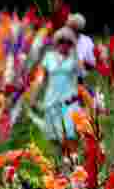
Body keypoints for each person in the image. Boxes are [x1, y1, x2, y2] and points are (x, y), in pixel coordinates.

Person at [33, 26, 83, 157]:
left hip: (68, 100)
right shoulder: (49, 57)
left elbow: (81, 78)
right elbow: (40, 79)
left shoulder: (74, 59)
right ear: (56, 42)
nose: (64, 44)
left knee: (69, 133)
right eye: (61, 41)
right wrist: (33, 96)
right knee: (53, 136)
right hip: (52, 99)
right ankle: (57, 168)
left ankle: (71, 165)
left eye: (68, 42)